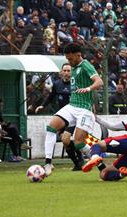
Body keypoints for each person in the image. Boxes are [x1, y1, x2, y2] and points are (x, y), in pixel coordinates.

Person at [81, 55, 127, 181]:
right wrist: (96, 118)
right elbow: (113, 127)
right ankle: (122, 173)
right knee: (104, 174)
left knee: (97, 144)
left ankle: (94, 157)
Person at [42, 43, 103, 176]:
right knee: (51, 127)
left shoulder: (86, 65)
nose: (68, 62)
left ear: (78, 55)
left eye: (70, 59)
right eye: (67, 59)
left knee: (79, 143)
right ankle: (48, 163)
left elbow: (99, 82)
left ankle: (101, 165)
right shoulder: (73, 68)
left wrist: (88, 88)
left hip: (84, 109)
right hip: (71, 106)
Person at [35, 63, 84, 171]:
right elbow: (51, 97)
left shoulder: (77, 84)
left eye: (69, 71)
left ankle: (82, 156)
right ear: (61, 72)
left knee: (66, 138)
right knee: (65, 142)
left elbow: (86, 97)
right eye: (65, 71)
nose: (66, 73)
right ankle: (77, 163)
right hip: (62, 117)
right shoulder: (57, 84)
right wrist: (42, 105)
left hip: (75, 116)